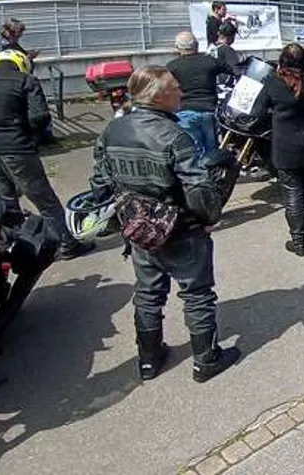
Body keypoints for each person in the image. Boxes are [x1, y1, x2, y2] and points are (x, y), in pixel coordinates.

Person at [90, 66, 240, 383]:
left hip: (138, 229)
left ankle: (148, 359)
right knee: (197, 294)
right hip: (181, 230)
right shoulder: (175, 136)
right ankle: (206, 360)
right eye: (175, 88)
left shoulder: (111, 131)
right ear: (159, 96)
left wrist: (124, 216)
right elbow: (198, 191)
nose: (181, 93)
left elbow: (99, 183)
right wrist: (209, 219)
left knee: (147, 293)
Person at [0, 49, 94, 260]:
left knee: (6, 203)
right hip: (19, 150)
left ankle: (16, 250)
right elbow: (40, 117)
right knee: (45, 201)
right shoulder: (26, 81)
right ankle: (67, 245)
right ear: (21, 64)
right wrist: (29, 134)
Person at [259, 44, 304, 254]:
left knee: (293, 196)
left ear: (282, 61)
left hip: (286, 148)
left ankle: (298, 242)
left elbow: (261, 109)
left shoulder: (272, 82)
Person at [165, 32, 233, 157]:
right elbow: (233, 70)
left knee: (193, 152)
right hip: (209, 111)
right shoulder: (210, 61)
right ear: (196, 45)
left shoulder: (172, 67)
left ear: (178, 47)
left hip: (184, 112)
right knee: (211, 150)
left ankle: (200, 175)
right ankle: (213, 175)